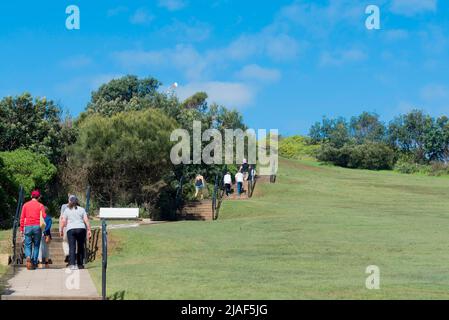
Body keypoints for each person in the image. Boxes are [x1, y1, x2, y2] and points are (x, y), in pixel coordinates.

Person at [60, 195, 92, 270]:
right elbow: (86, 220)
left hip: (70, 229)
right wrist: (89, 230)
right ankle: (80, 264)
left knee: (72, 247)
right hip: (81, 228)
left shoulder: (67, 210)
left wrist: (61, 230)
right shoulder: (82, 209)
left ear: (70, 202)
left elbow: (63, 221)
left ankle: (72, 264)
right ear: (77, 202)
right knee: (81, 246)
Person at [20, 190, 47, 270]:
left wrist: (21, 229)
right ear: (38, 197)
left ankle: (28, 257)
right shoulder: (40, 205)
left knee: (27, 244)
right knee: (36, 245)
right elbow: (44, 216)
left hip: (27, 226)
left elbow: (22, 218)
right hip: (37, 227)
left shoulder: (25, 205)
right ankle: (34, 262)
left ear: (31, 196)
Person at [59, 195, 72, 265]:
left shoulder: (64, 206)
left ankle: (67, 254)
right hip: (73, 226)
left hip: (66, 227)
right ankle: (72, 256)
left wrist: (60, 229)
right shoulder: (78, 207)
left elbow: (62, 217)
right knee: (72, 242)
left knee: (65, 241)